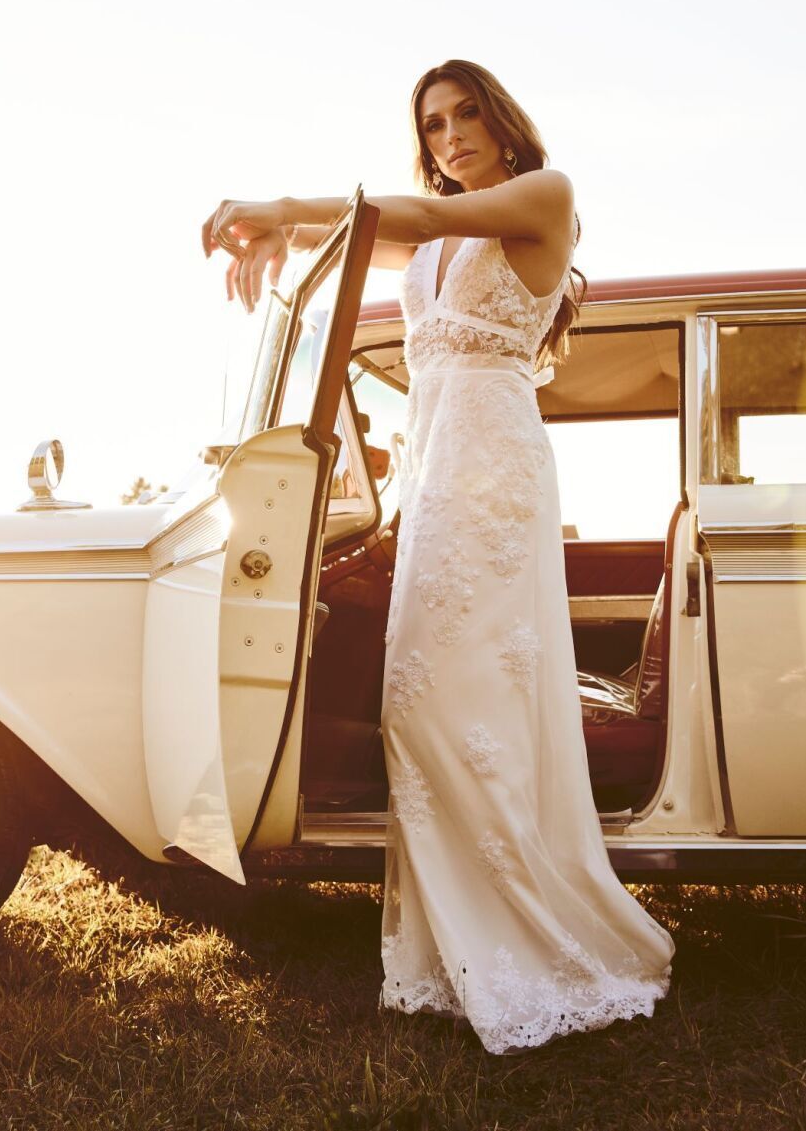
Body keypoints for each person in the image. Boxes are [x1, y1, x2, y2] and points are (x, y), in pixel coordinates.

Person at [200, 59, 674, 1054]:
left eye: (464, 115)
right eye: (433, 123)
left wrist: (280, 204)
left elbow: (406, 219)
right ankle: (455, 952)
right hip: (434, 471)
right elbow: (381, 231)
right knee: (416, 705)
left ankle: (531, 944)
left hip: (495, 472)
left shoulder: (543, 197)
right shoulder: (433, 245)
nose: (449, 135)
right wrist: (289, 235)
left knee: (474, 704)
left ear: (502, 123)